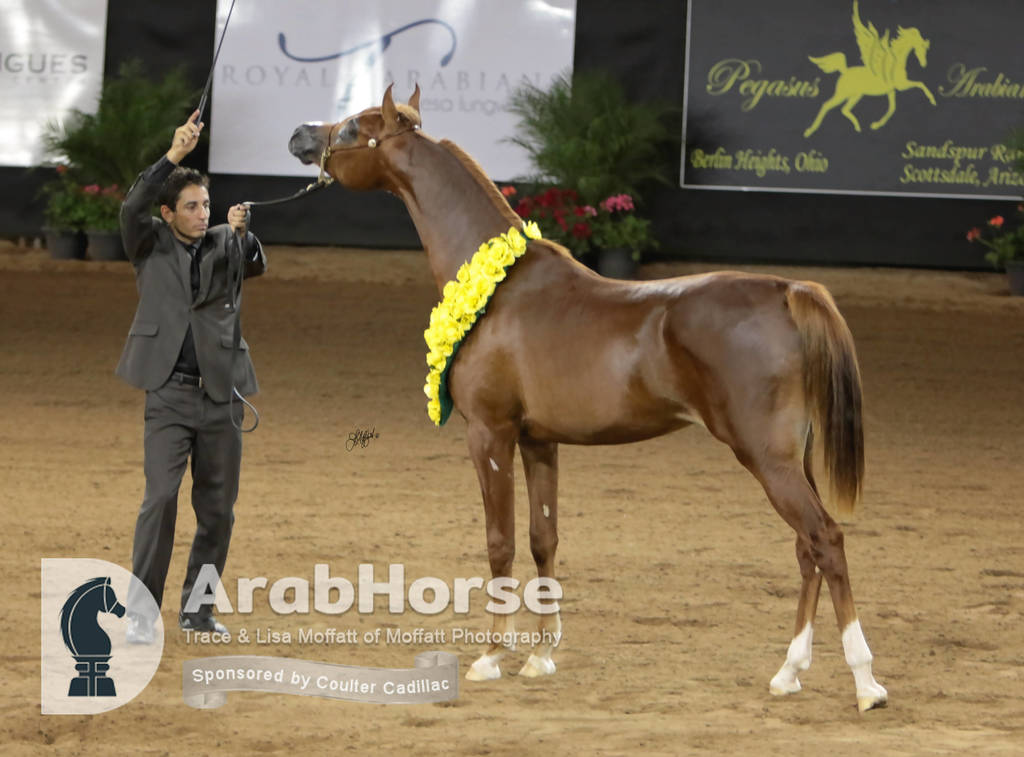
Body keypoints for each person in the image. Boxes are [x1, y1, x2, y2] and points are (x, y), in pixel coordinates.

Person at [120, 110, 266, 643]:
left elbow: (253, 262)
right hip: (168, 394)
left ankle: (198, 611)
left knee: (218, 511)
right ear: (168, 212)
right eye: (192, 206)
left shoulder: (228, 240)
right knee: (160, 499)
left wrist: (244, 233)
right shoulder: (148, 243)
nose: (203, 214)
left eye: (206, 205)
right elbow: (131, 205)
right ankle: (139, 614)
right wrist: (174, 155)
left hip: (221, 397)